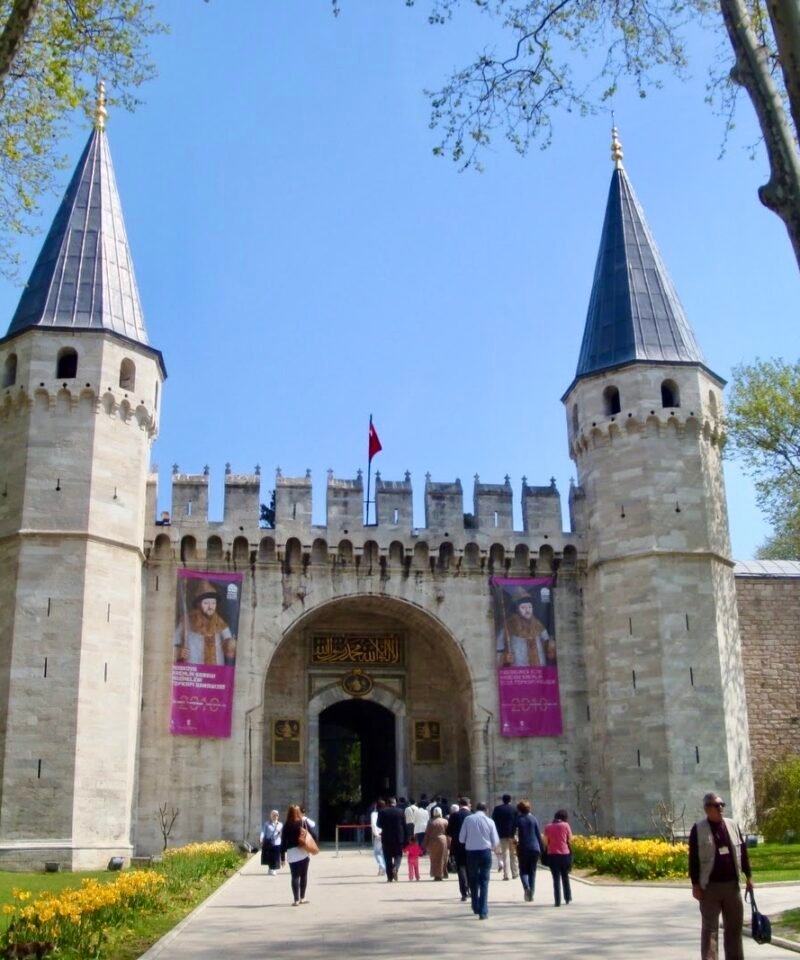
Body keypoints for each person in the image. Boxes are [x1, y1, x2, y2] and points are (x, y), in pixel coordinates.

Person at [689, 791, 753, 960]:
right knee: (710, 930)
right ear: (707, 809)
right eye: (716, 805)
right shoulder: (698, 829)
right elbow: (693, 860)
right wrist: (695, 885)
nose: (721, 808)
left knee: (734, 929)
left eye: (722, 805)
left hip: (732, 887)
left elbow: (743, 852)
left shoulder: (732, 825)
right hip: (710, 888)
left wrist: (749, 877)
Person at [174, 579, 236, 666]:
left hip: (216, 669)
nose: (210, 607)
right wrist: (178, 652)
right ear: (198, 604)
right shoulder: (187, 621)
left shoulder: (220, 623)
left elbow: (228, 643)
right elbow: (174, 641)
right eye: (206, 603)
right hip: (193, 669)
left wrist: (230, 645)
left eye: (213, 603)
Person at [459, 801, 500, 920]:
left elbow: (461, 839)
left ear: (476, 808)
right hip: (485, 852)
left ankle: (475, 905)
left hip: (471, 853)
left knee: (473, 879)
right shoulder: (490, 821)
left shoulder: (468, 820)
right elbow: (495, 841)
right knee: (484, 881)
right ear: (486, 810)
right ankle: (483, 911)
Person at [496, 594, 550, 667]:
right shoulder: (508, 626)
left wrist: (550, 647)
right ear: (517, 609)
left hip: (539, 670)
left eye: (529, 607)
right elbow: (497, 650)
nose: (527, 610)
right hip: (519, 671)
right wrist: (504, 658)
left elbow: (548, 645)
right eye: (523, 607)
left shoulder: (539, 625)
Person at [280, 804, 317, 906]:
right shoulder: (303, 822)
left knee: (295, 876)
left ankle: (296, 900)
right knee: (304, 875)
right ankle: (302, 898)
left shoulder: (286, 825)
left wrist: (282, 858)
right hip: (303, 851)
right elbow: (313, 835)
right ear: (298, 812)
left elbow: (283, 842)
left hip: (291, 853)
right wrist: (313, 844)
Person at [543, 809, 573, 906]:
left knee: (555, 878)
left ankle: (557, 900)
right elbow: (570, 839)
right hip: (565, 854)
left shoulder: (548, 827)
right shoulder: (566, 825)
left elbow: (545, 842)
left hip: (552, 855)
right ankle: (567, 897)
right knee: (565, 876)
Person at [515, 799, 543, 901]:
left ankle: (526, 888)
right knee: (532, 872)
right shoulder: (533, 819)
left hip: (523, 848)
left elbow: (514, 834)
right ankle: (532, 893)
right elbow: (538, 835)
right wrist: (542, 849)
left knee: (523, 871)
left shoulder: (518, 820)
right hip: (534, 848)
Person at [447, 797, 472, 902]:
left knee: (461, 868)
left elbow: (448, 832)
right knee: (470, 867)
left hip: (457, 845)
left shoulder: (454, 815)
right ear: (468, 804)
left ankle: (464, 892)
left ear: (460, 805)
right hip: (470, 845)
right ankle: (471, 889)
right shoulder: (471, 815)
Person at [376, 796, 406, 882]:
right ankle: (395, 867)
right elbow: (404, 826)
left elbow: (378, 824)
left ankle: (389, 877)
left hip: (386, 837)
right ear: (395, 803)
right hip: (398, 838)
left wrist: (386, 826)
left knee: (387, 857)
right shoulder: (401, 811)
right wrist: (406, 839)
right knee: (398, 855)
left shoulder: (382, 812)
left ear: (388, 804)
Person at [492, 793, 519, 880]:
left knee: (505, 854)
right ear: (510, 800)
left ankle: (506, 874)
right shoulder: (514, 809)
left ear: (502, 800)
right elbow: (517, 822)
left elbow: (494, 821)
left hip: (502, 834)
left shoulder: (497, 809)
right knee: (513, 854)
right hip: (512, 834)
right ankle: (515, 873)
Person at [424, 806, 450, 880]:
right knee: (443, 858)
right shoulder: (445, 821)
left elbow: (427, 833)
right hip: (443, 841)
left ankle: (436, 875)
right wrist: (449, 843)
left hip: (433, 841)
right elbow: (448, 833)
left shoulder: (430, 822)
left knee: (434, 859)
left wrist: (425, 843)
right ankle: (443, 873)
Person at [260, 809, 283, 876]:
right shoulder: (267, 824)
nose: (275, 816)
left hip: (277, 842)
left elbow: (282, 833)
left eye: (276, 815)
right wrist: (261, 838)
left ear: (278, 816)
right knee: (270, 857)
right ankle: (270, 868)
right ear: (271, 816)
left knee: (276, 857)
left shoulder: (280, 824)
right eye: (273, 815)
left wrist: (280, 834)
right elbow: (263, 832)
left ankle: (274, 869)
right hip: (269, 842)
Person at [370, 800, 386, 877]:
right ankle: (381, 870)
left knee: (377, 852)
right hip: (386, 834)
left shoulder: (374, 814)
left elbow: (373, 824)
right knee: (383, 852)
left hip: (378, 834)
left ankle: (382, 866)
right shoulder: (386, 812)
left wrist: (376, 833)